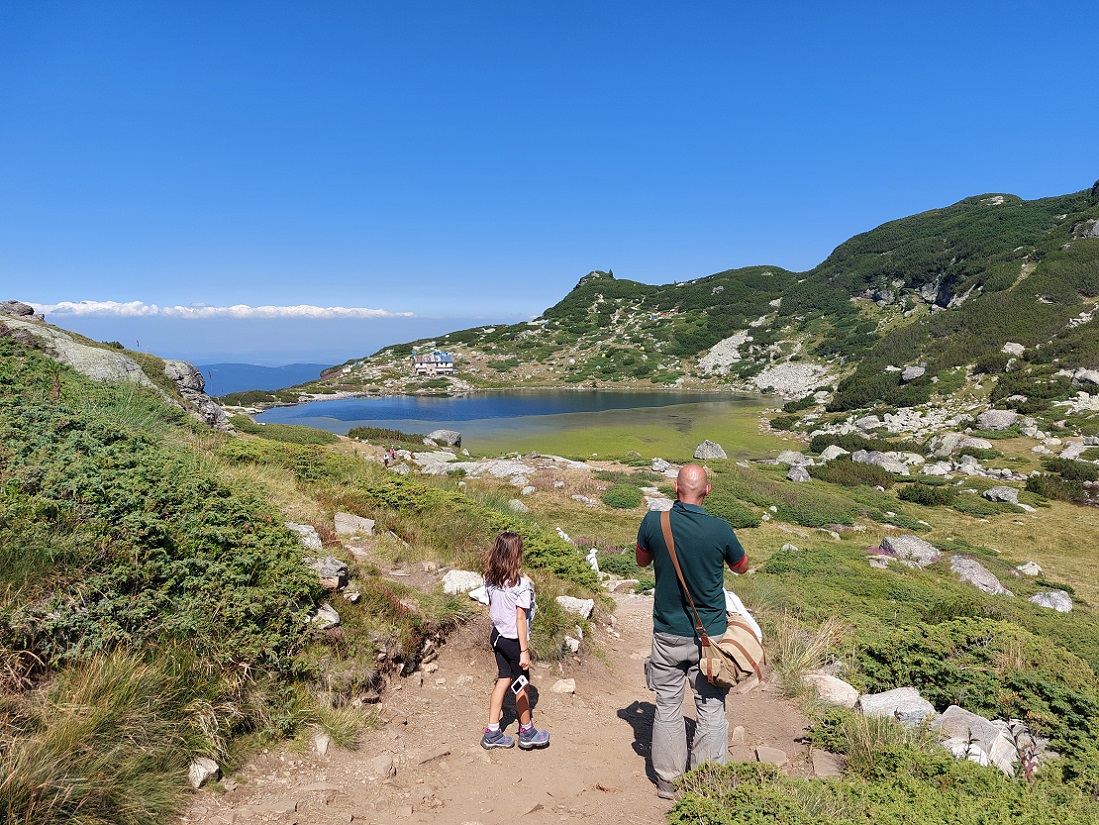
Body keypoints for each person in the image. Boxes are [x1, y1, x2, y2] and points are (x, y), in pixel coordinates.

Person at [635, 464, 748, 798]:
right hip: (709, 638)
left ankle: (669, 782)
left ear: (675, 488)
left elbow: (642, 562)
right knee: (711, 708)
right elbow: (741, 565)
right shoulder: (721, 530)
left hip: (667, 634)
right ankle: (707, 785)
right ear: (707, 491)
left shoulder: (654, 522)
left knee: (668, 706)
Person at [480, 531, 551, 750]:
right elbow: (520, 618)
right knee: (521, 685)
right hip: (513, 642)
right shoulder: (523, 583)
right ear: (516, 554)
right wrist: (524, 650)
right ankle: (527, 730)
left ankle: (492, 731)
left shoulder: (490, 577)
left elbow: (491, 606)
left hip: (497, 636)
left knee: (503, 680)